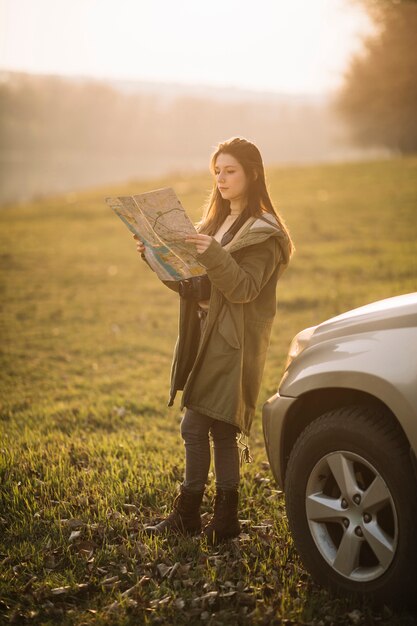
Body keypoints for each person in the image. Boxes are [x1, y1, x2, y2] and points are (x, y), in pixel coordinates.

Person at [134, 137, 294, 544]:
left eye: (230, 171)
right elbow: (193, 287)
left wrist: (214, 255)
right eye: (217, 172)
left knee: (194, 425)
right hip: (203, 334)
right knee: (221, 429)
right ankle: (225, 522)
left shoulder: (265, 234)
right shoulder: (211, 225)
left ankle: (189, 511)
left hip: (234, 342)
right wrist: (154, 256)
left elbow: (242, 289)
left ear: (252, 173)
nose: (221, 179)